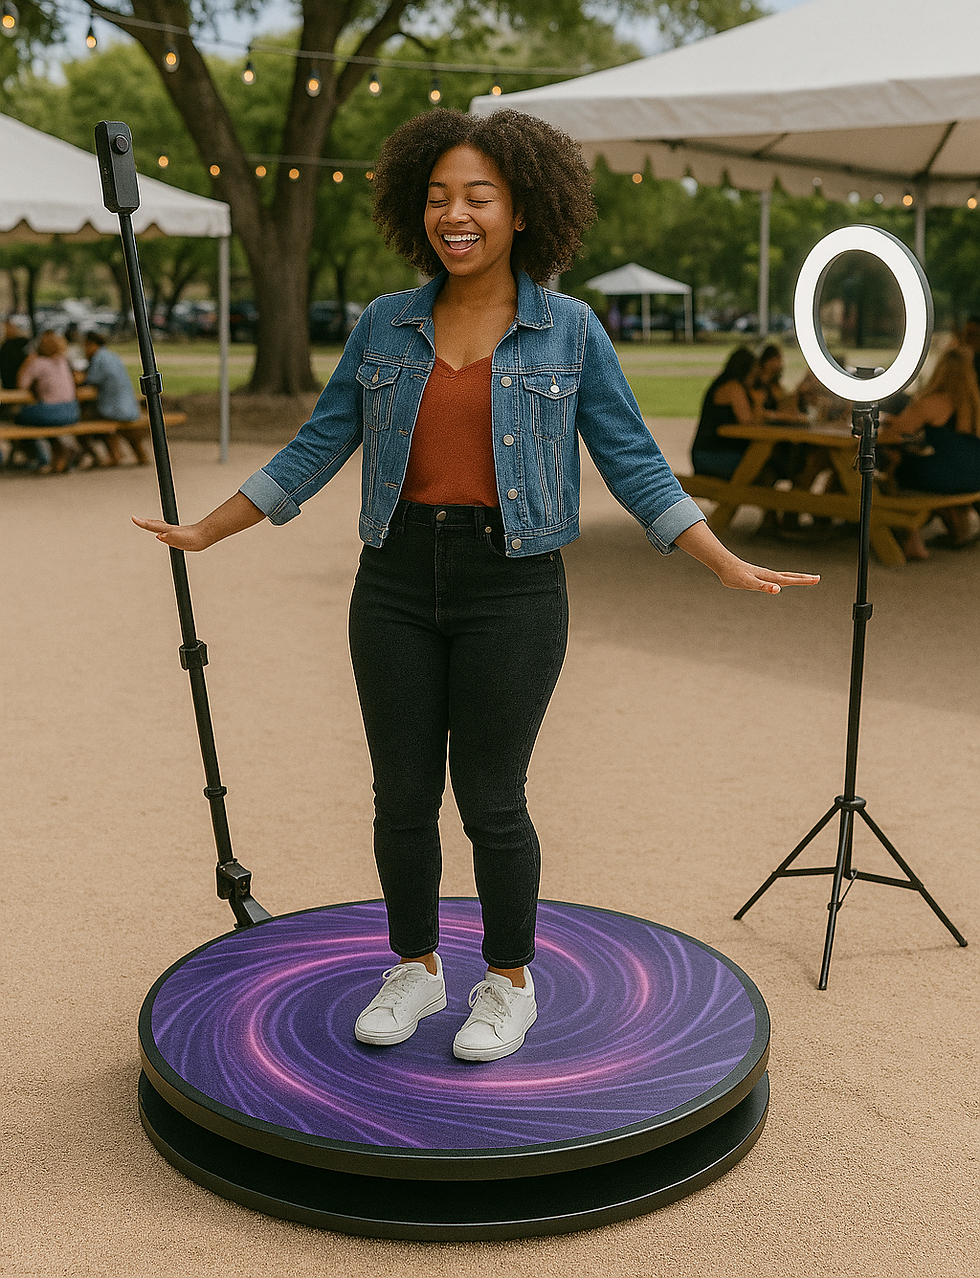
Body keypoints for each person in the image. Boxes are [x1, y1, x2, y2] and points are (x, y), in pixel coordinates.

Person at [133, 108, 818, 1064]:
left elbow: (634, 463)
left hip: (514, 584)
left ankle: (507, 982)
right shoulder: (386, 322)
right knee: (401, 795)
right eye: (440, 196)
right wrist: (212, 528)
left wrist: (723, 560)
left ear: (523, 210)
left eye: (479, 197)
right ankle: (414, 966)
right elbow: (323, 439)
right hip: (397, 581)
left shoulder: (569, 329)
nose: (456, 214)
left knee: (491, 796)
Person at [879, 345, 980, 559]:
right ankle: (956, 529)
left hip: (946, 478)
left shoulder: (935, 402)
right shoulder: (975, 404)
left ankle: (910, 537)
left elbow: (894, 434)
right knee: (925, 462)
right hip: (975, 477)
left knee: (896, 464)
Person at [15, 330, 81, 472]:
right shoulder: (62, 361)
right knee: (44, 422)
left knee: (19, 418)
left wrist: (27, 362)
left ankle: (38, 457)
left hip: (51, 411)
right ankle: (59, 456)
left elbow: (21, 384)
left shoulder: (37, 363)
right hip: (72, 410)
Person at [691, 347, 757, 479]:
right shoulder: (733, 387)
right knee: (761, 464)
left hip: (708, 453)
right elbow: (748, 421)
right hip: (712, 455)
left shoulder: (722, 383)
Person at [83, 331, 140, 465]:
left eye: (85, 346)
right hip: (130, 407)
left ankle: (107, 455)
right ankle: (127, 454)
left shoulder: (98, 358)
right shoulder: (112, 356)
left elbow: (90, 380)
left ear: (92, 345)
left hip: (114, 409)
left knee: (86, 419)